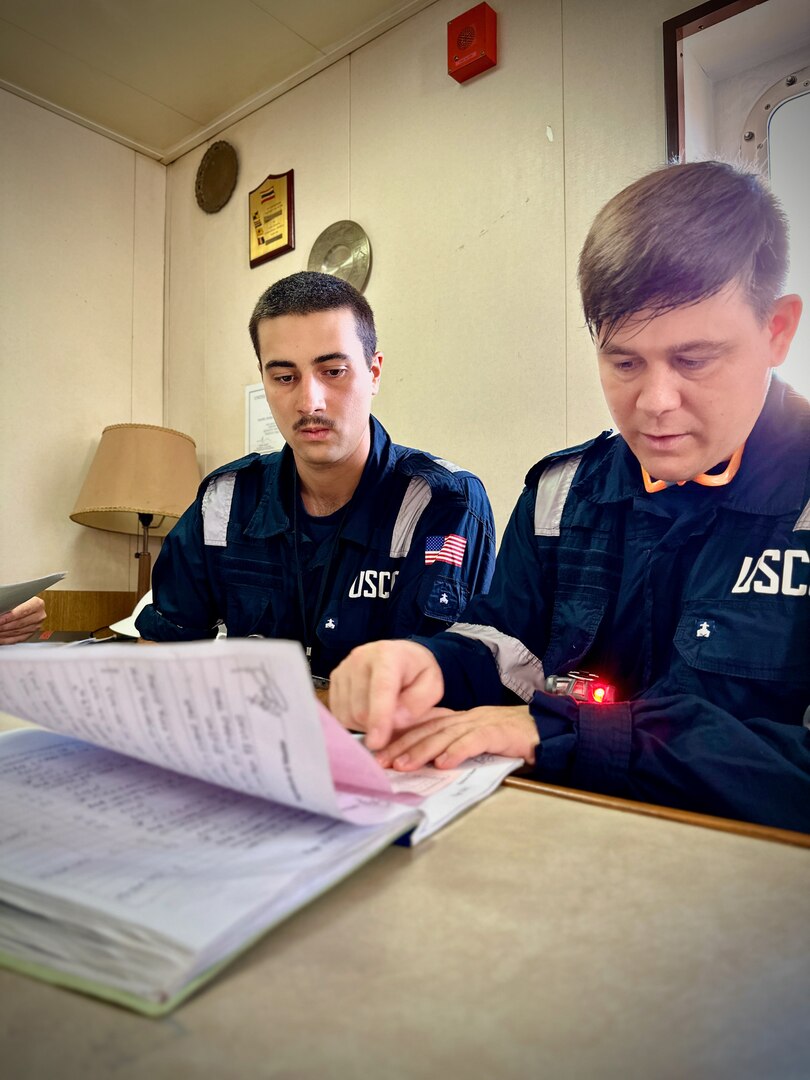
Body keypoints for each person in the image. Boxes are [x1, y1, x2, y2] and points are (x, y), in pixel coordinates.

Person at [329, 160, 810, 833]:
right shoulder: (560, 494)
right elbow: (506, 640)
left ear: (778, 332)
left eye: (694, 359)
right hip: (556, 841)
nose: (655, 403)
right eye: (624, 362)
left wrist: (573, 734)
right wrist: (430, 663)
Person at [136, 272, 495, 680]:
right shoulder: (225, 501)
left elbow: (445, 683)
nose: (309, 402)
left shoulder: (442, 506)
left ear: (374, 372)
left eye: (334, 371)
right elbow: (162, 654)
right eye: (285, 377)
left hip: (379, 742)